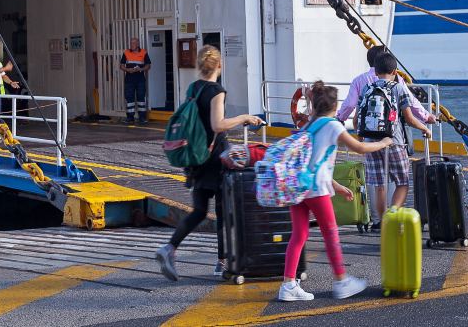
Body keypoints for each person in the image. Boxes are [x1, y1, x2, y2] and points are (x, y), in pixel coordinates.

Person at [155, 45, 263, 281]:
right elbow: (218, 124)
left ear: (200, 65)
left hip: (196, 157)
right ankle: (222, 262)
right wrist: (244, 117)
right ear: (219, 66)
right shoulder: (216, 90)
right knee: (224, 210)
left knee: (200, 210)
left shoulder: (193, 88)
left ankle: (169, 248)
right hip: (215, 158)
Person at [277, 81, 392, 301]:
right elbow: (360, 148)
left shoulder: (309, 126)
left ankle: (288, 284)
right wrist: (383, 142)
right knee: (330, 233)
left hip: (299, 187)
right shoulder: (332, 125)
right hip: (317, 190)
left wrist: (337, 187)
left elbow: (313, 163)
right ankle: (341, 281)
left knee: (299, 235)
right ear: (334, 106)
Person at [351, 52, 433, 230]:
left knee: (379, 186)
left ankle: (382, 223)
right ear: (395, 72)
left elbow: (356, 120)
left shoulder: (366, 88)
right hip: (393, 141)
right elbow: (409, 118)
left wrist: (361, 139)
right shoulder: (399, 88)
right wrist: (425, 128)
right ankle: (393, 213)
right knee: (402, 183)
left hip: (371, 144)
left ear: (375, 71)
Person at [119, 37, 151, 124]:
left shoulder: (143, 52)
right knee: (129, 98)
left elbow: (148, 65)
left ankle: (142, 118)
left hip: (140, 79)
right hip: (129, 79)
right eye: (131, 43)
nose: (131, 45)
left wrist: (140, 69)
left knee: (141, 98)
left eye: (133, 43)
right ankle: (130, 118)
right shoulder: (126, 52)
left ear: (137, 44)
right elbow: (121, 65)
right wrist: (127, 70)